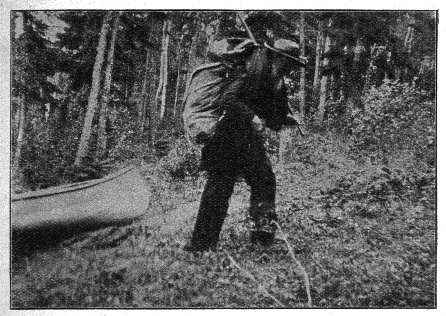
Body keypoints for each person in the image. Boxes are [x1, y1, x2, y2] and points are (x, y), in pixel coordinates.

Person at [182, 34, 306, 252]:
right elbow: (228, 99)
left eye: (292, 64)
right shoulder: (250, 69)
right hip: (225, 136)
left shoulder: (277, 82)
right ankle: (201, 245)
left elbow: (273, 115)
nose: (289, 68)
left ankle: (262, 236)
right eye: (287, 62)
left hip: (248, 139)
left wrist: (286, 119)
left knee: (265, 179)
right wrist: (252, 117)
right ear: (277, 57)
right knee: (219, 188)